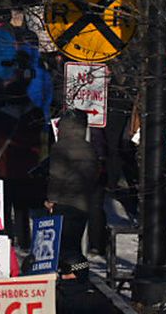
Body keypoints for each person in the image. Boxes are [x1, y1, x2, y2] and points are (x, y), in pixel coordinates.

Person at [46, 107, 99, 279]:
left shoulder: (60, 148)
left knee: (64, 246)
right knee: (74, 242)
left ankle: (76, 272)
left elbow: (56, 175)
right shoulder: (89, 149)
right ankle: (79, 272)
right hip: (83, 203)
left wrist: (51, 199)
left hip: (65, 201)